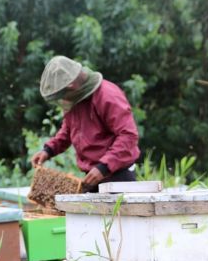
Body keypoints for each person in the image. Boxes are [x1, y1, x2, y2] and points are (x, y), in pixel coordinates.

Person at [30, 56, 140, 191]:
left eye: (62, 95)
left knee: (116, 212)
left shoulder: (108, 95)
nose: (63, 100)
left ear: (71, 86)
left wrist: (104, 167)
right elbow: (68, 130)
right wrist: (48, 150)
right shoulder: (75, 100)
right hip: (92, 177)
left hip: (118, 176)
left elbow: (128, 136)